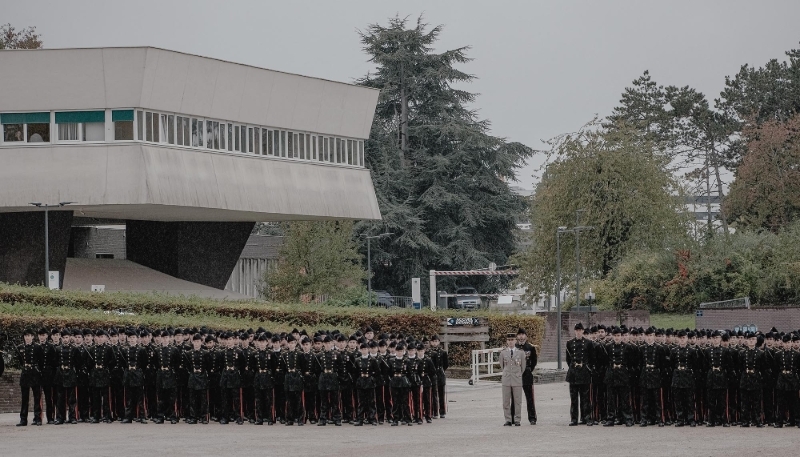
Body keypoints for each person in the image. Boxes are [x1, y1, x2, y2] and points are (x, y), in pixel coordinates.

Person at [566, 323, 593, 426]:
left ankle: (586, 417)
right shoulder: (569, 343)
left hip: (584, 372)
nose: (578, 332)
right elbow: (568, 359)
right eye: (576, 330)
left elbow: (591, 358)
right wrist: (573, 367)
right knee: (573, 398)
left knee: (585, 397)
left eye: (580, 330)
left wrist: (587, 368)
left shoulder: (588, 343)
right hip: (573, 373)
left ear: (583, 331)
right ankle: (574, 419)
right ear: (575, 331)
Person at [16, 327, 44, 426]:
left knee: (37, 397)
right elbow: (20, 361)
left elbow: (41, 361)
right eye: (26, 336)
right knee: (24, 398)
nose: (27, 338)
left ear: (32, 337)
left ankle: (37, 418)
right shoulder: (20, 347)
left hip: (35, 374)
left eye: (29, 336)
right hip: (25, 374)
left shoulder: (37, 347)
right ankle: (23, 419)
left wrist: (38, 371)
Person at [500, 333, 525, 426]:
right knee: (506, 401)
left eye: (512, 340)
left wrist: (517, 374)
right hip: (506, 379)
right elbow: (502, 366)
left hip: (517, 379)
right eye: (509, 340)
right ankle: (508, 419)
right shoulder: (503, 353)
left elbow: (523, 367)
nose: (510, 342)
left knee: (518, 400)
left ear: (515, 341)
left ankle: (517, 419)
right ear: (507, 341)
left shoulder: (521, 353)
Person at [515, 328, 538, 425]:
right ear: (517, 336)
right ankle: (514, 418)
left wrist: (528, 369)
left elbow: (534, 361)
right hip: (516, 375)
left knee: (530, 398)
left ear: (526, 336)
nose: (521, 336)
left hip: (527, 375)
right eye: (519, 334)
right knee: (515, 398)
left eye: (523, 334)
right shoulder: (514, 347)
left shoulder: (530, 348)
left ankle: (532, 418)